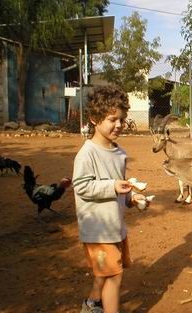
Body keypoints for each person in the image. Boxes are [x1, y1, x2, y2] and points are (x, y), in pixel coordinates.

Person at [73, 85, 147, 313]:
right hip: (97, 228)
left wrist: (133, 198)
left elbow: (121, 186)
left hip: (115, 226)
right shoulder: (87, 153)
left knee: (105, 272)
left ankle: (91, 304)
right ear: (95, 119)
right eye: (112, 119)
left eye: (122, 120)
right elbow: (82, 186)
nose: (119, 125)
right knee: (114, 276)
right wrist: (113, 186)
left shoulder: (120, 153)